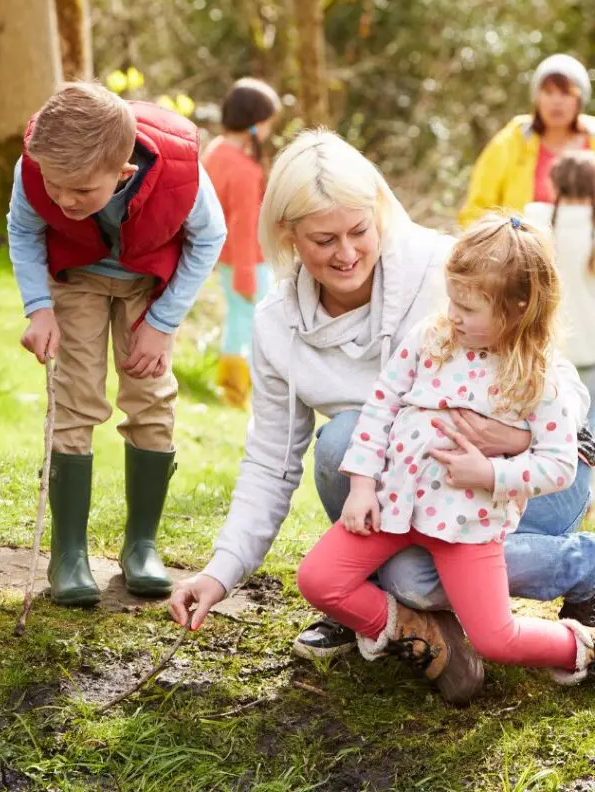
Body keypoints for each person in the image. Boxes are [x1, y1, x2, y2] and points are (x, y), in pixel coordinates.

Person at [169, 130, 595, 687]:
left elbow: (556, 379)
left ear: (379, 213)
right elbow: (273, 461)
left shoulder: (453, 271)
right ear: (289, 235)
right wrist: (221, 572)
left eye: (358, 231)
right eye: (324, 239)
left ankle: (584, 572)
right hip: (409, 495)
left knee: (422, 580)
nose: (346, 253)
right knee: (346, 448)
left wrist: (509, 444)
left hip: (519, 485)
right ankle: (415, 625)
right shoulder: (283, 325)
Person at [297, 215, 595, 703]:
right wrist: (363, 485)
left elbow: (559, 464)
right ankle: (415, 631)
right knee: (318, 580)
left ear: (517, 308)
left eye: (468, 308)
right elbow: (381, 405)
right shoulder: (432, 338)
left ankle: (579, 648)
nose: (452, 315)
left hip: (467, 525)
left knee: (496, 638)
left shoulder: (537, 377)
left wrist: (491, 473)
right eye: (452, 300)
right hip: (394, 506)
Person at [7, 83, 226, 605]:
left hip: (147, 286)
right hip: (76, 277)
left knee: (151, 399)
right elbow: (23, 230)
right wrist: (39, 308)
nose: (64, 199)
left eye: (81, 191)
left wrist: (162, 323)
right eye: (55, 186)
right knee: (75, 397)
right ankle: (68, 553)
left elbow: (209, 239)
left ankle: (141, 545)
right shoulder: (37, 165)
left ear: (124, 173)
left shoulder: (183, 177)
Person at [202, 78, 280, 408]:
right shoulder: (244, 170)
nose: (269, 130)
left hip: (226, 258)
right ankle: (235, 392)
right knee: (247, 324)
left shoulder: (216, 150)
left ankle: (233, 388)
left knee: (238, 318)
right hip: (247, 262)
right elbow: (244, 227)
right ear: (254, 123)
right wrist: (246, 276)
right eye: (268, 123)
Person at [459, 53, 595, 228]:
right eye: (548, 92)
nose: (556, 101)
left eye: (565, 93)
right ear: (537, 98)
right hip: (520, 243)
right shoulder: (512, 139)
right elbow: (477, 209)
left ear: (580, 99)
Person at [525, 150, 595, 429]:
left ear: (553, 184)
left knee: (553, 430)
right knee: (589, 432)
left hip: (546, 347)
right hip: (591, 351)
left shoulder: (533, 220)